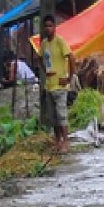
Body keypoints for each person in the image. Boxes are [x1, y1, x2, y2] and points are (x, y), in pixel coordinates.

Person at [39, 15, 75, 154]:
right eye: (46, 26)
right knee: (53, 116)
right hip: (49, 85)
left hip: (60, 85)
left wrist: (69, 77)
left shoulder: (60, 42)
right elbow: (39, 58)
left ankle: (66, 141)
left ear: (54, 27)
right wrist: (45, 71)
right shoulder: (43, 44)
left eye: (50, 26)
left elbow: (71, 57)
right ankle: (58, 140)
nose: (48, 28)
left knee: (62, 115)